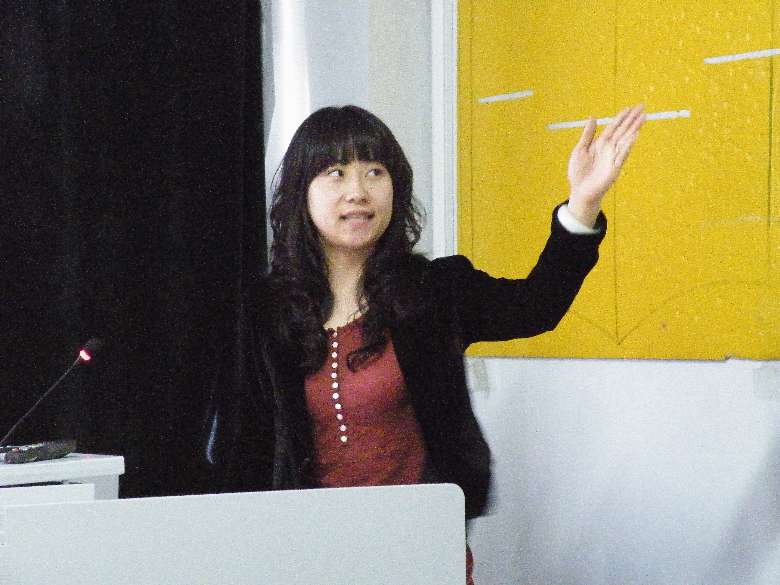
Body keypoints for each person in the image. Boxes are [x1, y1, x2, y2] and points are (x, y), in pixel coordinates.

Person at [245, 103, 644, 583]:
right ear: (301, 194)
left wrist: (583, 203)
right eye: (336, 173)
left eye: (375, 171)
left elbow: (537, 305)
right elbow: (247, 448)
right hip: (309, 556)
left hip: (422, 550)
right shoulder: (267, 313)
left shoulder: (435, 291)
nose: (358, 191)